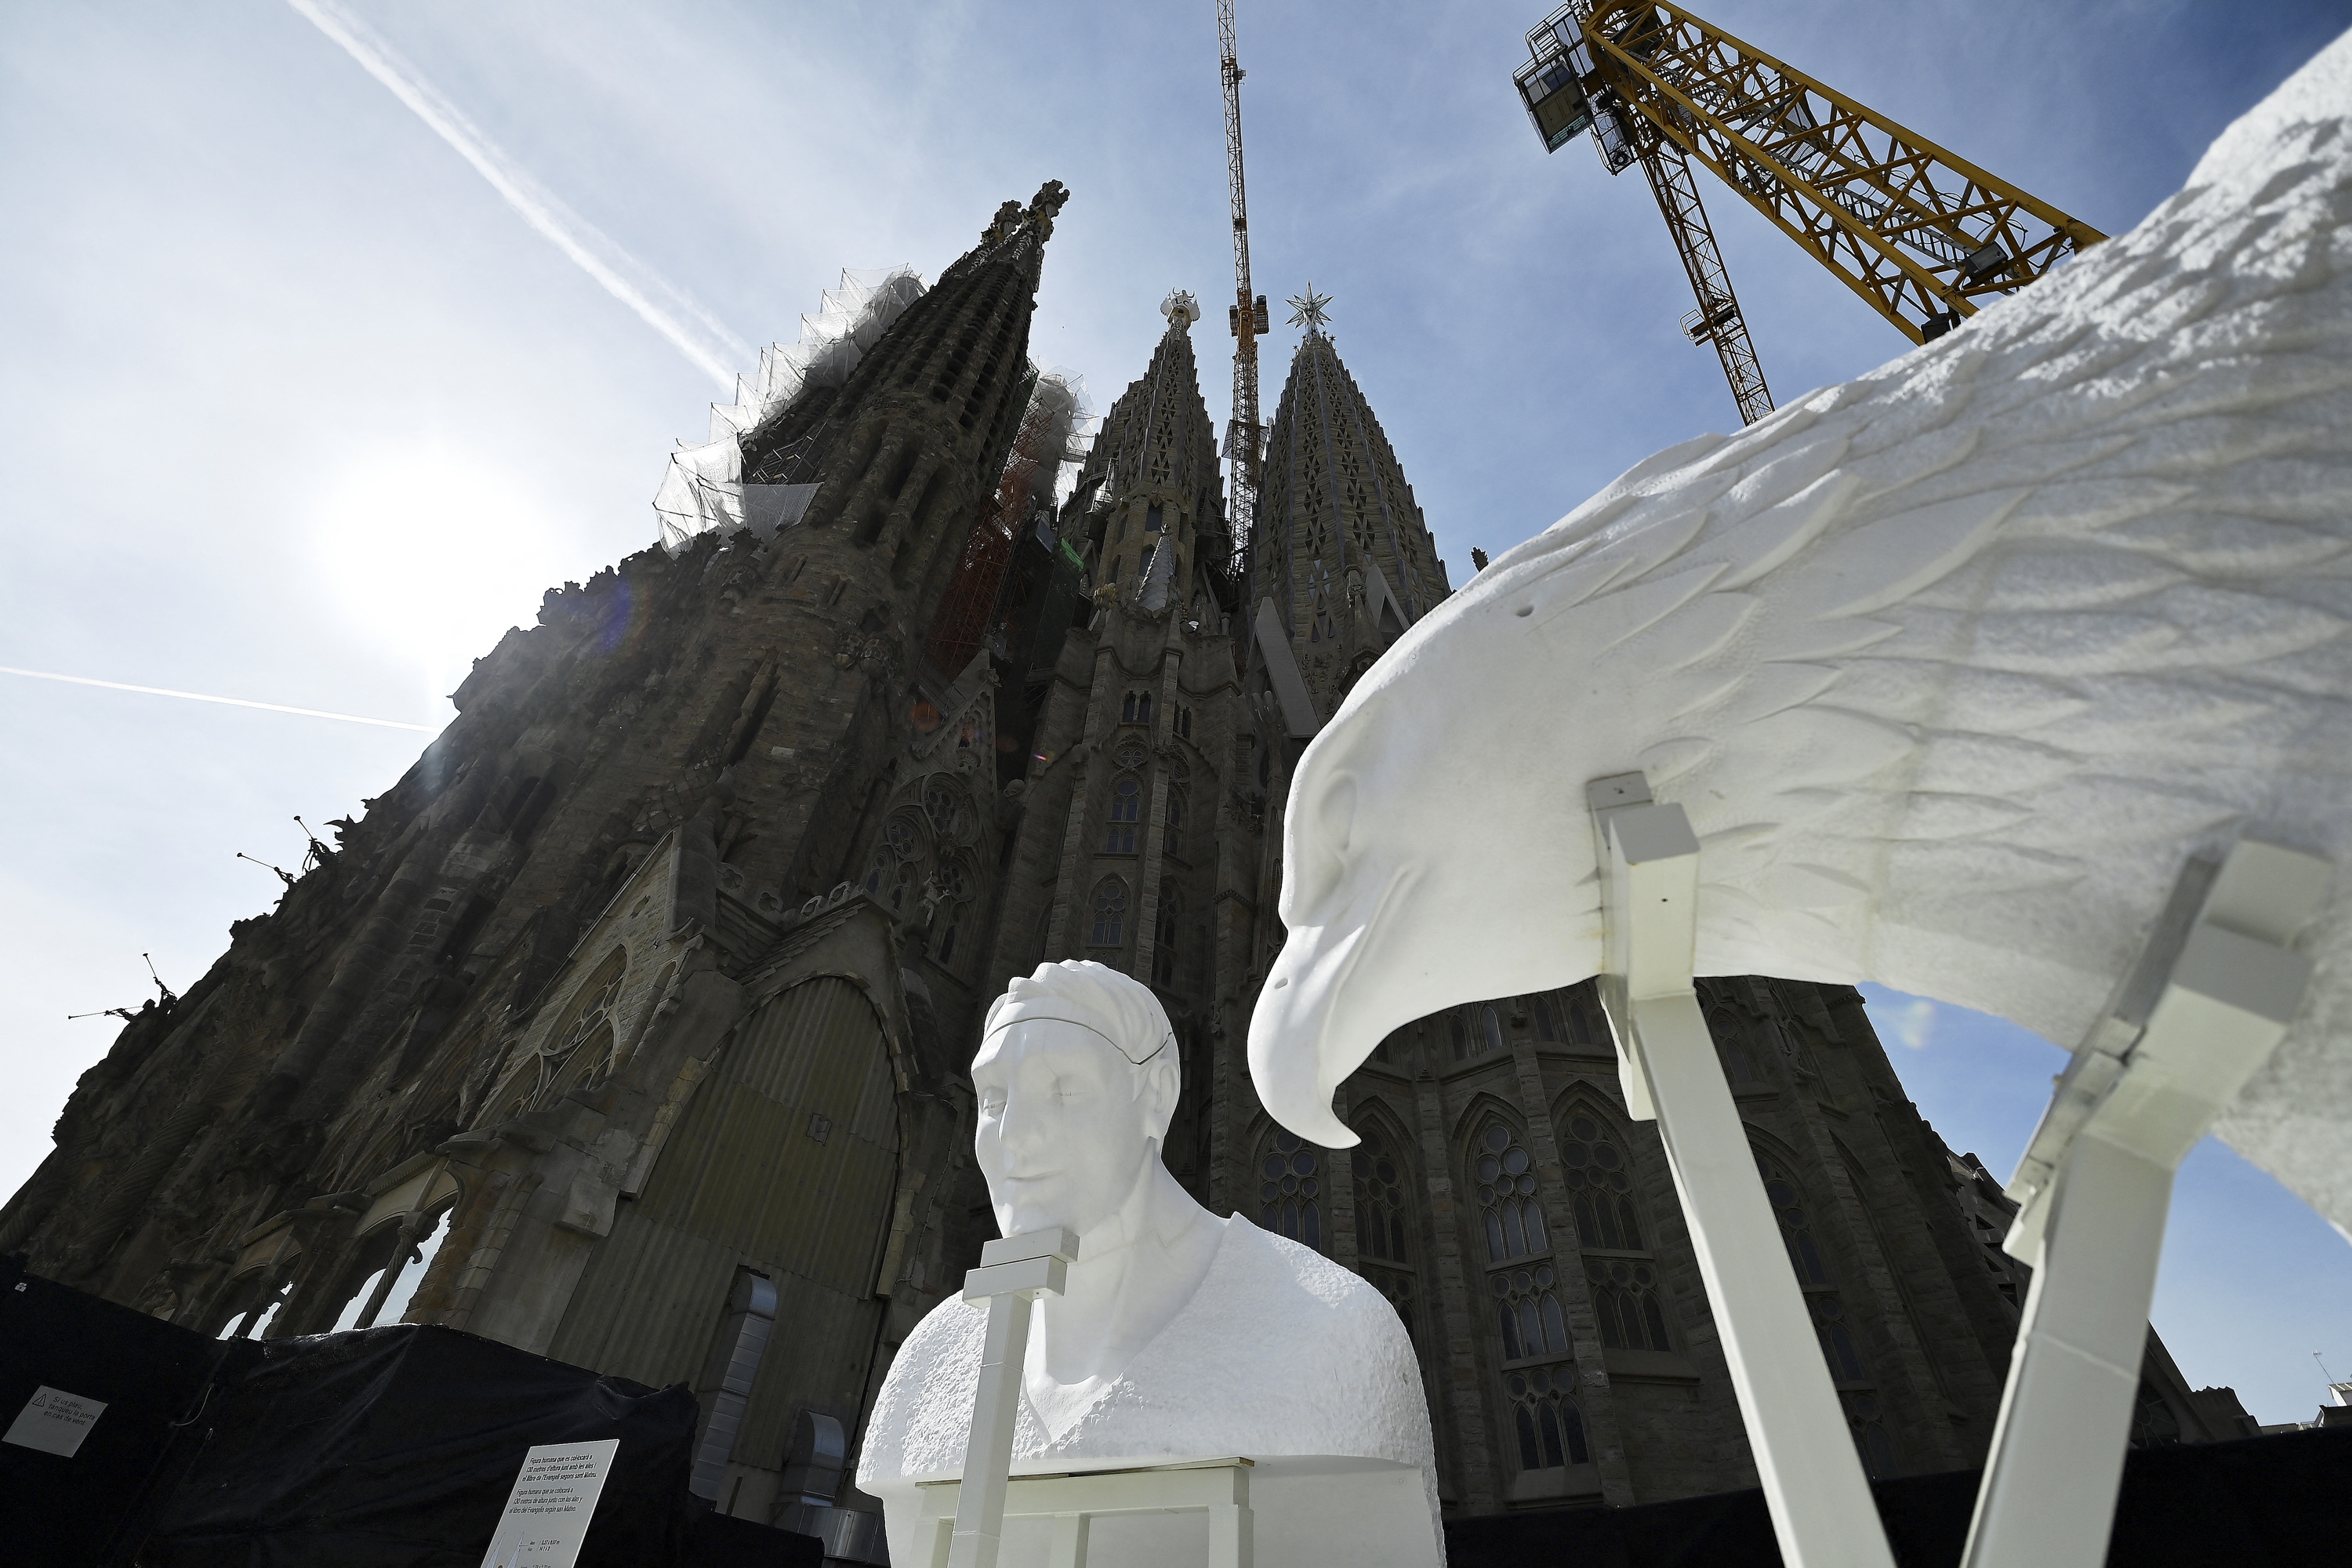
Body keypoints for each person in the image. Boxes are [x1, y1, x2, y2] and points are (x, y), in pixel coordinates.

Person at [857, 960, 1439, 1565]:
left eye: (1064, 1088)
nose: (1013, 1136)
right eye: (996, 1099)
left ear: (1155, 1097)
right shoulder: (930, 1362)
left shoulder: (1331, 1332)